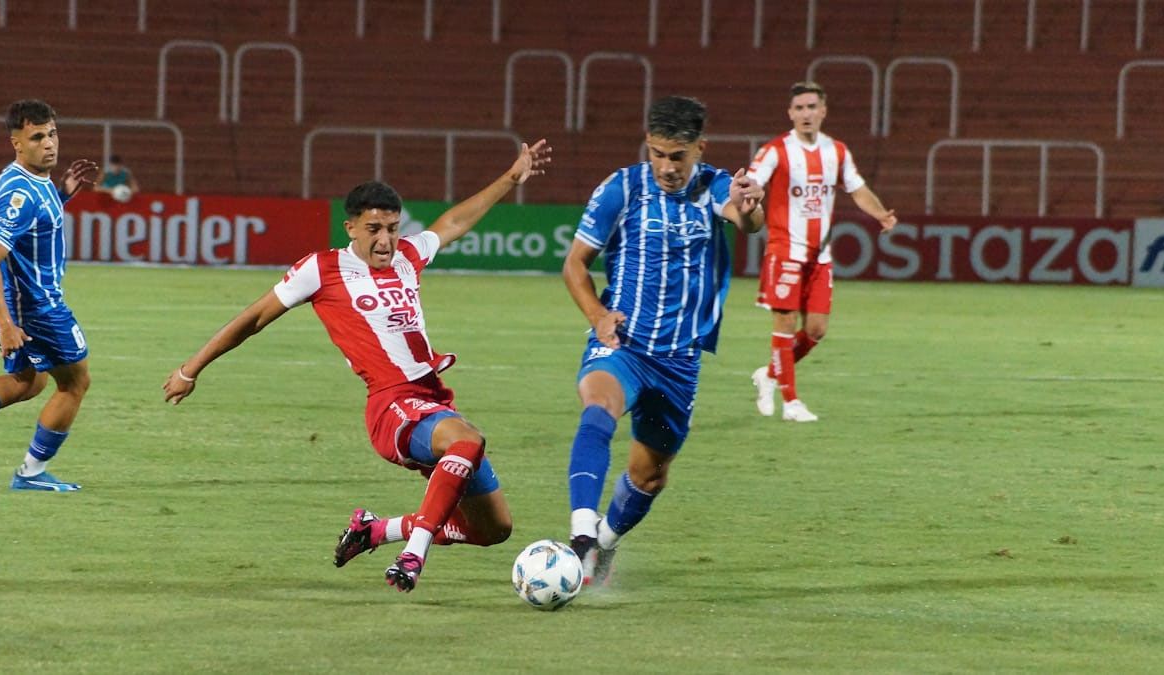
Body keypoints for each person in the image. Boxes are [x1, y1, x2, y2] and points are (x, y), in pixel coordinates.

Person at [162, 140, 551, 592]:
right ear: (350, 227)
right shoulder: (321, 269)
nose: (385, 239)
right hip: (392, 406)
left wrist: (510, 177)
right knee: (468, 441)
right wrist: (191, 369)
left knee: (493, 530)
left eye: (391, 227)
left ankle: (376, 530)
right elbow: (253, 318)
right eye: (373, 229)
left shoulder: (408, 255)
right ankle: (412, 555)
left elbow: (455, 220)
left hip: (433, 401)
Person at [562, 96, 764, 585]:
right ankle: (581, 533)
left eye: (678, 155)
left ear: (700, 148)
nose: (666, 167)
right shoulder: (621, 188)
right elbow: (575, 265)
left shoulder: (714, 185)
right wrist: (597, 314)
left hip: (679, 360)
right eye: (657, 153)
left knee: (649, 475)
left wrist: (749, 205)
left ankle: (604, 546)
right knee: (597, 410)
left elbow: (746, 220)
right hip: (624, 344)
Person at [0, 99, 98, 491]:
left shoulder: (28, 182)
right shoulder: (20, 195)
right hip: (36, 307)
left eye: (52, 134)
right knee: (75, 383)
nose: (49, 144)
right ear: (17, 143)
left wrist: (63, 195)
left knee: (29, 381)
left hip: (21, 303)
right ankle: (31, 473)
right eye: (37, 137)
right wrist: (7, 325)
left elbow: (34, 226)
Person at [747, 81, 897, 423]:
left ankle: (769, 374)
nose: (805, 114)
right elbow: (755, 180)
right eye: (799, 108)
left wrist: (881, 213)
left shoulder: (837, 151)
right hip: (785, 250)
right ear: (790, 113)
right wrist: (751, 191)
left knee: (815, 330)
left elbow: (857, 190)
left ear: (823, 111)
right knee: (784, 322)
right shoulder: (776, 150)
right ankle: (792, 402)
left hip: (820, 256)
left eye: (811, 107)